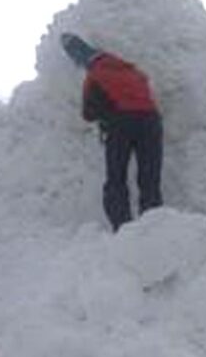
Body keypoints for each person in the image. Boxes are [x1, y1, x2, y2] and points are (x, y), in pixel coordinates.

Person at [61, 32, 163, 231]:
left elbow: (88, 113)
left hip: (122, 124)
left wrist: (105, 114)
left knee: (116, 179)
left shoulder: (95, 74)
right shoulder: (131, 70)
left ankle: (122, 228)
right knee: (150, 178)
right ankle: (154, 229)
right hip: (151, 122)